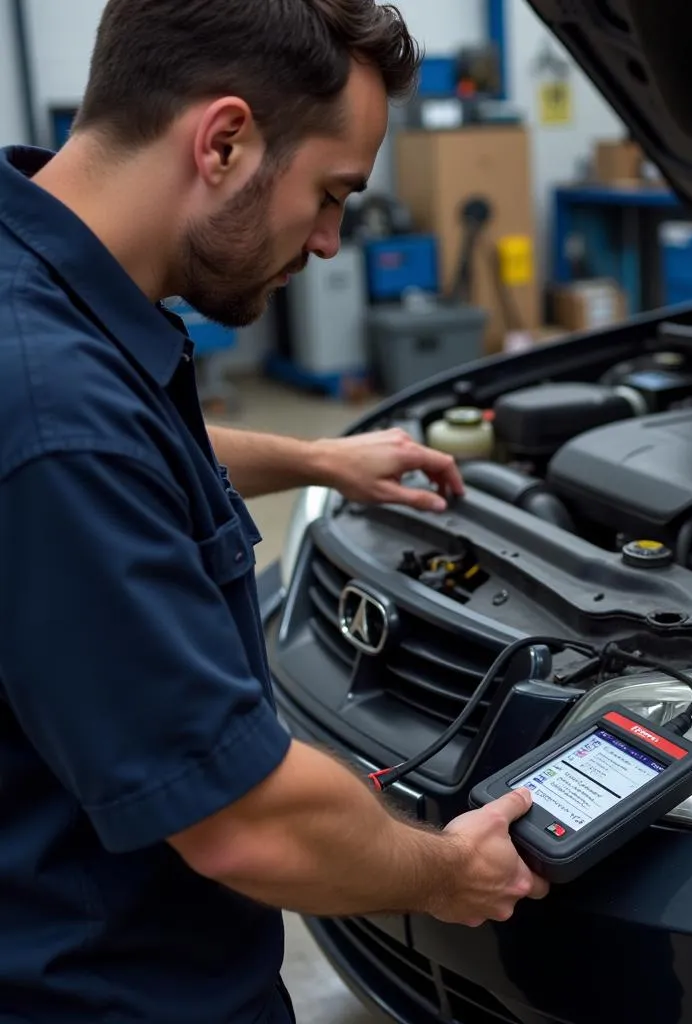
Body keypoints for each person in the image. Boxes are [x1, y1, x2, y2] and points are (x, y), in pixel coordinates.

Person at [0, 1, 549, 1021]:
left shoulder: (32, 279)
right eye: (331, 193)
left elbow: (138, 456)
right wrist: (447, 870)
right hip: (110, 987)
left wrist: (319, 461)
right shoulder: (53, 407)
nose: (334, 241)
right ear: (224, 141)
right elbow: (247, 826)